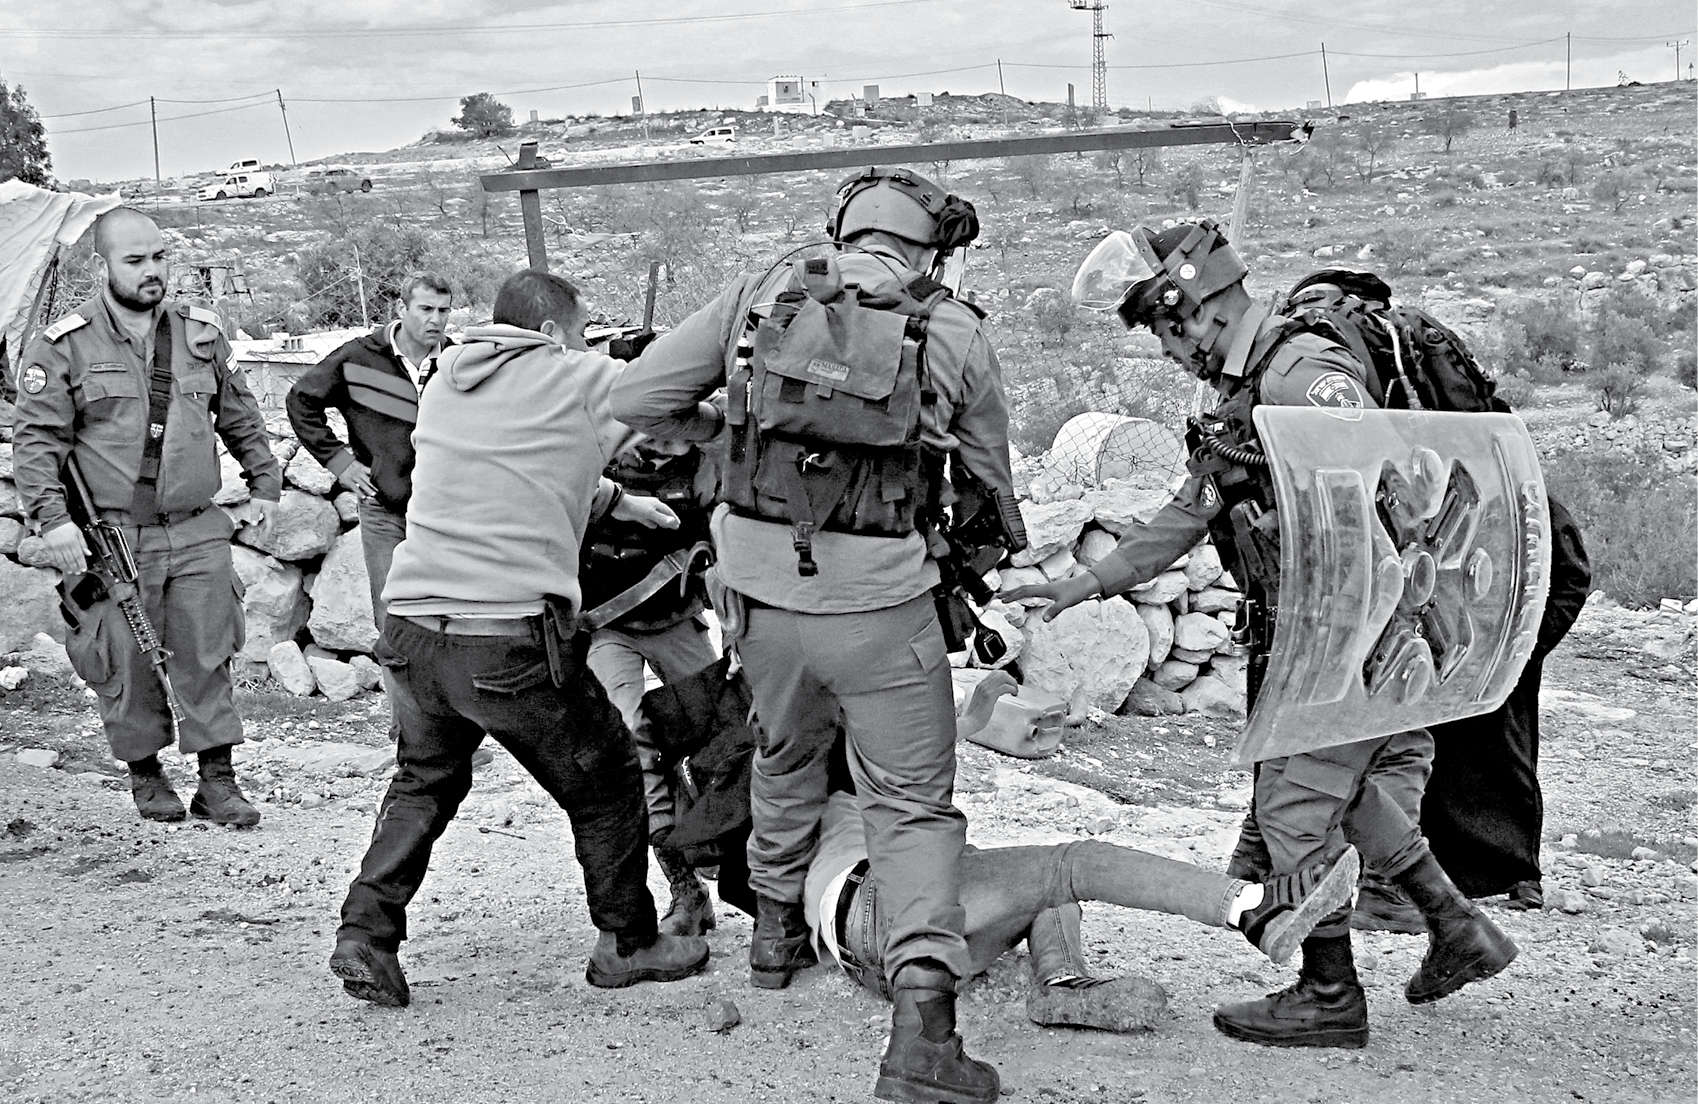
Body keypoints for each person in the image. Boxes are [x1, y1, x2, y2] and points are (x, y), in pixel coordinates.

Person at [1008, 220, 1518, 1050]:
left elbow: (1390, 491)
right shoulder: (1243, 390)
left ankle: (1330, 994)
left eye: (1163, 331)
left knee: (1292, 808)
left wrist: (1350, 627)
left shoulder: (1299, 373)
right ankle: (1459, 928)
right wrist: (1085, 583)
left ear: (1193, 310)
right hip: (1325, 631)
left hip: (1354, 633)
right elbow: (1191, 510)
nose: (1167, 350)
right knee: (1342, 792)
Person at [611, 167, 1023, 1104]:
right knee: (911, 807)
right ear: (931, 252)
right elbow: (992, 493)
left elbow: (635, 399)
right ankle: (923, 1034)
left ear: (843, 229)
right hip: (883, 610)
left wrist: (719, 432)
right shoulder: (952, 329)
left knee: (782, 753)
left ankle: (773, 936)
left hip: (760, 601)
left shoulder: (762, 294)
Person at [329, 269, 713, 1009]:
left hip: (411, 632)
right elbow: (668, 397)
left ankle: (365, 933)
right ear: (549, 334)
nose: (586, 346)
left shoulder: (447, 380)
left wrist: (618, 502)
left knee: (424, 779)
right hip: (503, 639)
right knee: (608, 779)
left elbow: (515, 463)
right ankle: (629, 943)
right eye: (581, 332)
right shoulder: (576, 376)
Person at [12, 207, 279, 826]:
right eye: (135, 260)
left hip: (194, 527)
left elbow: (239, 414)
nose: (152, 270)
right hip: (112, 535)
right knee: (124, 658)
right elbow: (37, 443)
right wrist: (53, 521)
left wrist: (265, 483)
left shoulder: (200, 333)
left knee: (207, 651)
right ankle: (145, 771)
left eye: (159, 257)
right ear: (102, 265)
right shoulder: (63, 345)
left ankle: (217, 780)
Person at [806, 791, 1361, 1032]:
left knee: (1037, 888)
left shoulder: (810, 804)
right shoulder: (871, 775)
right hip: (881, 899)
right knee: (1070, 865)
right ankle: (1254, 908)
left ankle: (1061, 983)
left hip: (882, 963)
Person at [581, 432, 721, 936]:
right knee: (629, 747)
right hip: (605, 624)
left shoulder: (706, 459)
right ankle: (685, 890)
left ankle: (754, 879)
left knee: (721, 740)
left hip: (678, 616)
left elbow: (730, 541)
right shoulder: (594, 448)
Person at [1420, 499, 1590, 910]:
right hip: (1442, 650)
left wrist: (1528, 647)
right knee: (1437, 763)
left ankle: (1519, 875)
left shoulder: (1532, 503)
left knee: (1507, 759)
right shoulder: (1437, 496)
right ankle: (1443, 875)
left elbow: (1571, 579)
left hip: (1507, 655)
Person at [285, 273, 452, 637]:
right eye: (425, 309)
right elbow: (301, 400)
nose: (435, 320)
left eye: (443, 311)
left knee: (446, 614)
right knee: (392, 617)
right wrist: (340, 463)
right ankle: (394, 677)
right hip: (383, 509)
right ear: (401, 309)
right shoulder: (358, 357)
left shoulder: (455, 362)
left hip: (445, 511)